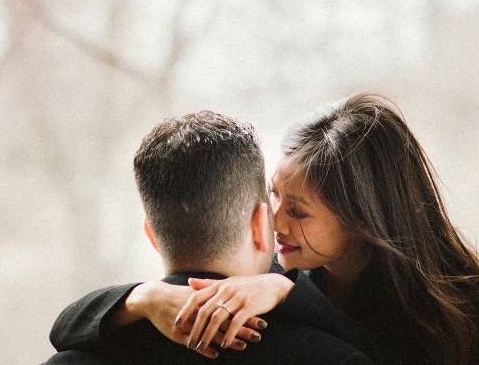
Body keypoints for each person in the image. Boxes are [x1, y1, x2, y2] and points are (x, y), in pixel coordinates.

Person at [49, 94, 479, 365]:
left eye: (298, 212)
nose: (273, 219)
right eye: (274, 196)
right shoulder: (276, 282)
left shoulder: (439, 310)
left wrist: (286, 294)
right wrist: (144, 297)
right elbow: (65, 328)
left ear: (363, 220)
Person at [44, 110, 377, 365]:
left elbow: (61, 331)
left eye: (298, 211)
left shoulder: (73, 358)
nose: (280, 222)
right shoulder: (335, 355)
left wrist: (141, 299)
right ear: (259, 224)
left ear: (152, 234)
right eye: (274, 202)